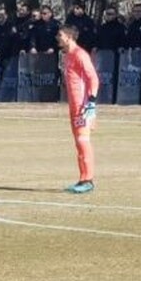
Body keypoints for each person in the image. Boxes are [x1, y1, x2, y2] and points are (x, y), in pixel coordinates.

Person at [57, 24, 99, 194]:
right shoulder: (67, 55)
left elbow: (93, 78)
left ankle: (88, 180)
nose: (57, 38)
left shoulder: (80, 54)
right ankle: (82, 178)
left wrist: (91, 103)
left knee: (83, 141)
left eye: (60, 35)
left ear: (69, 36)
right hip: (74, 106)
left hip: (83, 105)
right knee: (78, 143)